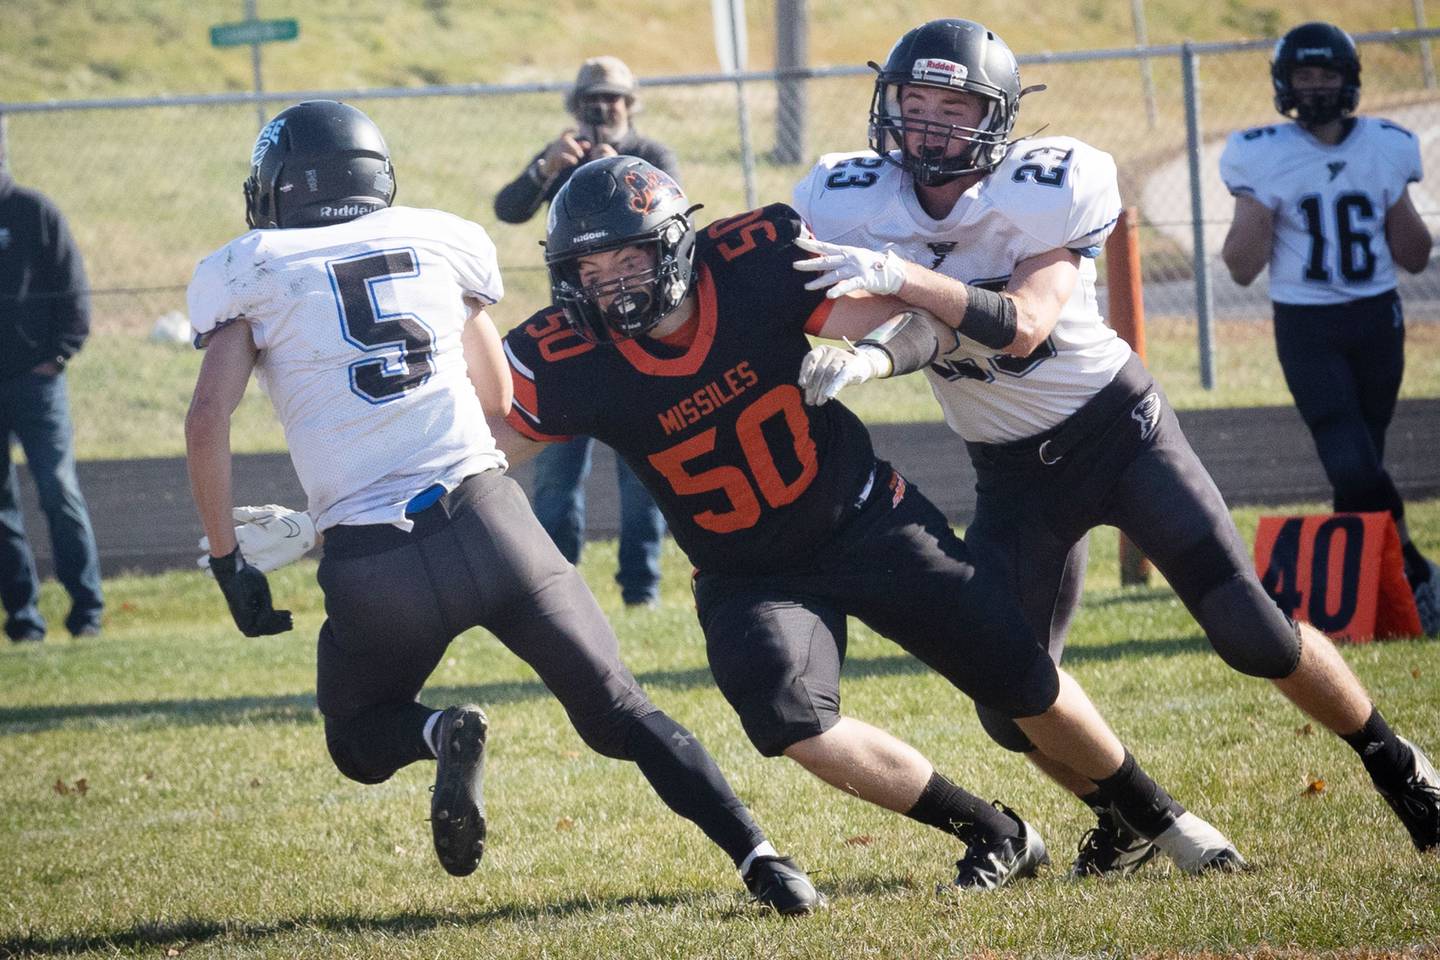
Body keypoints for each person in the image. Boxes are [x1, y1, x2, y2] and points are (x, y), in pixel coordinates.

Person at [492, 153, 1250, 893]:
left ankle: (1163, 820)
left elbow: (911, 321)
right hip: (746, 573)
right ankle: (994, 831)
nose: (612, 287)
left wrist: (871, 359)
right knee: (790, 719)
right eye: (590, 271)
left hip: (865, 520)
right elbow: (490, 449)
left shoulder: (754, 261)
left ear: (676, 248)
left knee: (1018, 674)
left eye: (627, 261)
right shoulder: (564, 354)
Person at [787, 17, 1440, 873]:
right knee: (1006, 695)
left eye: (956, 104)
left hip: (1120, 435)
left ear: (999, 116)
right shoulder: (850, 194)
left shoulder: (1048, 184)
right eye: (916, 100)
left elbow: (1021, 325)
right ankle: (1128, 817)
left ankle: (1401, 767)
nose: (931, 122)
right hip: (1013, 473)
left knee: (1252, 633)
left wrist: (899, 278)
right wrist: (853, 344)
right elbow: (861, 312)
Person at [183, 99, 820, 914]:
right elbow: (501, 399)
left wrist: (227, 556)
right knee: (621, 709)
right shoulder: (440, 238)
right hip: (491, 520)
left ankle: (438, 733)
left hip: (376, 560)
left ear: (281, 188)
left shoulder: (250, 265)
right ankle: (764, 860)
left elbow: (209, 419)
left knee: (358, 736)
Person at [1219, 21, 1438, 634]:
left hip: (1378, 319)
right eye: (1304, 76)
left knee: (1362, 461)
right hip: (1307, 324)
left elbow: (1415, 255)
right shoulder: (1261, 152)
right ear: (1284, 84)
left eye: (1326, 75)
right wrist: (1261, 204)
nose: (1315, 87)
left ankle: (1365, 597)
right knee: (1349, 458)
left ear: (1350, 81)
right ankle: (1418, 574)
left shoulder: (1388, 145)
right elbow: (1240, 269)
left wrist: (1389, 197)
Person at [494, 55, 672, 606]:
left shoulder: (649, 156)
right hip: (573, 336)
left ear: (630, 104)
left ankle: (641, 590)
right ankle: (558, 587)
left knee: (643, 474)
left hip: (642, 336)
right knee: (555, 472)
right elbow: (509, 209)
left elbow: (677, 216)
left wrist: (618, 168)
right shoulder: (561, 155)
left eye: (613, 99)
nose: (603, 110)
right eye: (592, 100)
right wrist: (543, 171)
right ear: (576, 106)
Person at [0, 155, 104, 643]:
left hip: (37, 383)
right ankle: (23, 622)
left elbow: (73, 290)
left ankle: (87, 614)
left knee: (57, 491)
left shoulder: (33, 211)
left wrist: (56, 357)